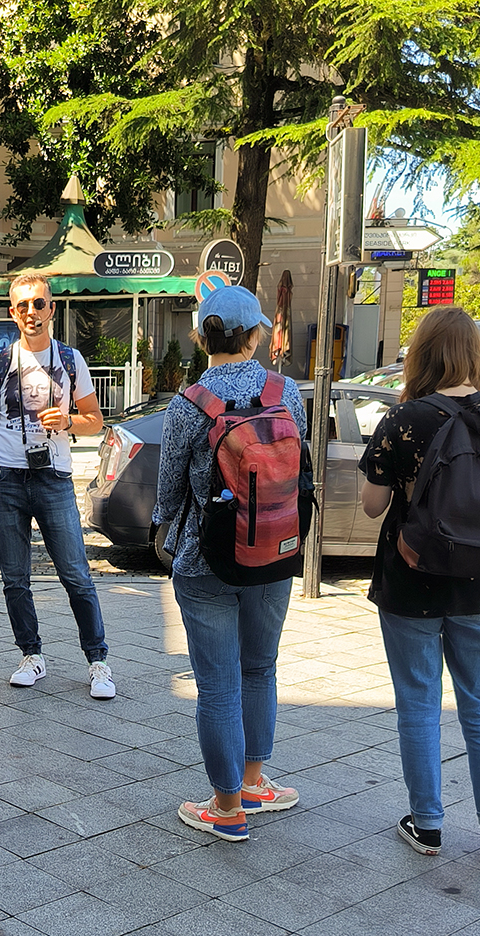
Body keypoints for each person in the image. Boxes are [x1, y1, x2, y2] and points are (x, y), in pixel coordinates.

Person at [359, 305, 480, 862]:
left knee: (418, 701)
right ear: (474, 355)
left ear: (422, 354)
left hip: (412, 579)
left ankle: (427, 823)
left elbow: (370, 506)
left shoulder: (405, 420)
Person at [154, 285, 305, 842]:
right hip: (274, 553)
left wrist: (162, 530)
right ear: (255, 334)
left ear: (201, 336)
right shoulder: (286, 392)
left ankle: (226, 807)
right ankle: (255, 781)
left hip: (207, 559)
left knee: (217, 685)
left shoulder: (189, 404)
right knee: (260, 668)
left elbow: (169, 493)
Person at [0, 272, 115, 700]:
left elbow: (96, 420)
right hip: (6, 479)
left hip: (53, 478)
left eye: (39, 304)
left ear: (52, 309)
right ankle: (31, 654)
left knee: (76, 576)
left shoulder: (70, 360)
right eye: (23, 305)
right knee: (15, 578)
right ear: (12, 313)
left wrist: (69, 420)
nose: (31, 312)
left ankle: (98, 660)